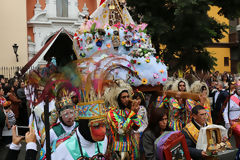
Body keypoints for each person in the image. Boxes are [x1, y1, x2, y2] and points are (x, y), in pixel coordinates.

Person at [105, 79, 143, 159]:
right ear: (117, 98)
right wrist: (132, 113)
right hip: (119, 149)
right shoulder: (111, 113)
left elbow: (137, 126)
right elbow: (122, 130)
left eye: (127, 96)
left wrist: (134, 113)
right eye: (123, 97)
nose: (127, 99)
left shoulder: (127, 111)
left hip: (132, 147)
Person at [223, 83, 240, 148]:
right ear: (236, 89)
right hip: (234, 122)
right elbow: (225, 111)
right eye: (239, 89)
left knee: (238, 139)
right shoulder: (232, 98)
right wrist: (227, 122)